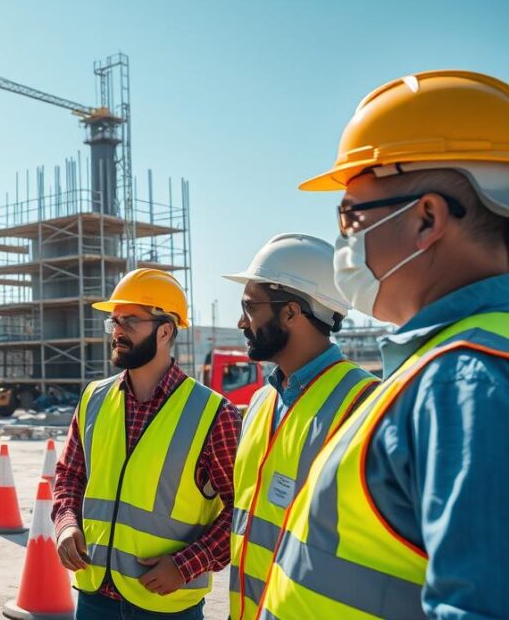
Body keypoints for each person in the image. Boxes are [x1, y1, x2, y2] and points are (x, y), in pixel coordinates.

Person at [258, 70, 509, 619]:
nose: (344, 241)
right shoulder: (454, 361)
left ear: (427, 218)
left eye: (351, 215)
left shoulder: (467, 378)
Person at [52, 268, 240, 620]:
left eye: (130, 321)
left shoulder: (214, 414)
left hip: (165, 606)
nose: (117, 331)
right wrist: (66, 523)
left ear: (165, 330)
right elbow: (69, 475)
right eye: (114, 321)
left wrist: (187, 565)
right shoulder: (94, 398)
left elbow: (243, 509)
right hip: (94, 597)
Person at [222, 234, 378, 620]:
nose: (241, 321)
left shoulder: (363, 405)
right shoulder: (260, 402)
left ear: (291, 311)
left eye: (250, 307)